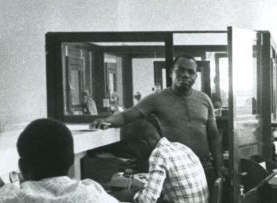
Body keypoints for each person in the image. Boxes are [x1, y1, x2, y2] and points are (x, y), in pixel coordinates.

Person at [94, 54, 222, 186]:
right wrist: (107, 121)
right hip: (175, 170)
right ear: (171, 73)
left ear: (195, 77)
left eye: (191, 72)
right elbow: (126, 115)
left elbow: (214, 137)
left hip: (204, 167)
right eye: (180, 70)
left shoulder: (204, 99)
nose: (185, 75)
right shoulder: (157, 99)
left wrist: (219, 169)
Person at [111, 118, 209, 203]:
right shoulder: (181, 147)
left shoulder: (158, 154)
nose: (138, 156)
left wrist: (127, 195)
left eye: (136, 151)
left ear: (143, 143)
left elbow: (148, 200)